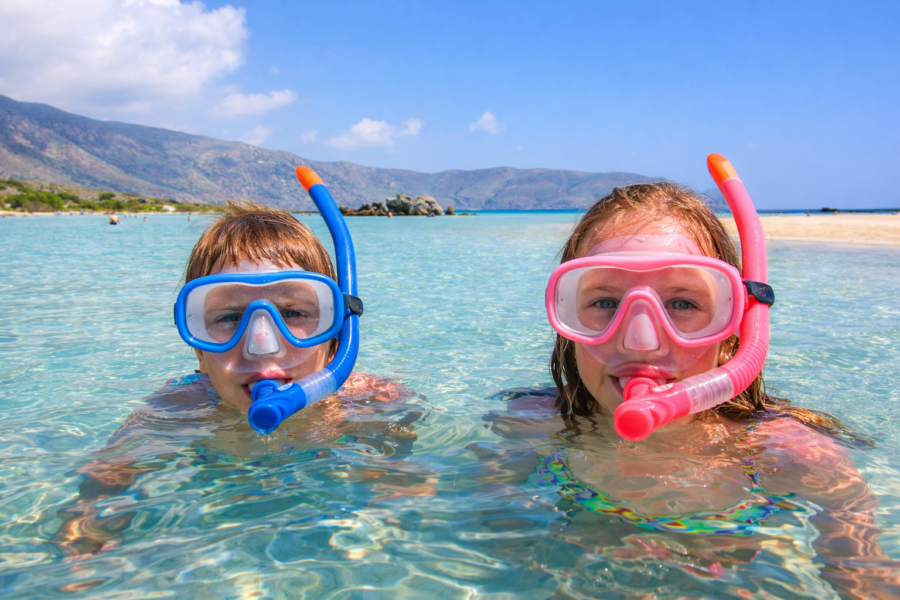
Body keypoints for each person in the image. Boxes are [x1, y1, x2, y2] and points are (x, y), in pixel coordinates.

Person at [484, 157, 898, 598]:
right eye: (604, 302)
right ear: (566, 319)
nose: (640, 342)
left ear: (735, 328)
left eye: (682, 304)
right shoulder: (528, 427)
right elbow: (479, 547)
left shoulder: (790, 457)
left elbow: (866, 577)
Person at [53, 191, 428, 557]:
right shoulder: (179, 406)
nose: (262, 344)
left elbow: (409, 488)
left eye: (295, 313)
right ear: (198, 348)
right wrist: (85, 528)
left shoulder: (371, 400)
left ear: (337, 335)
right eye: (229, 317)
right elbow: (105, 476)